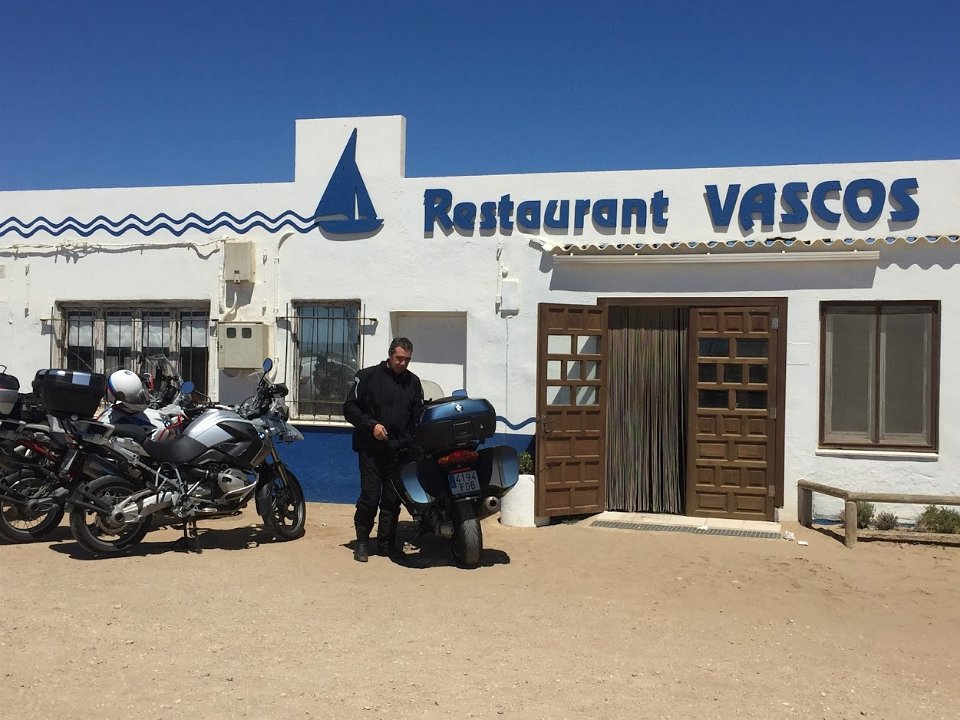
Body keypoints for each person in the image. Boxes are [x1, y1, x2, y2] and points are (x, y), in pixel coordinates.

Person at [343, 337, 424, 562]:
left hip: (399, 452)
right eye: (399, 358)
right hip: (371, 449)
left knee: (391, 500)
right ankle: (362, 542)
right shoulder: (367, 376)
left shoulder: (413, 382)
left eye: (407, 360)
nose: (403, 363)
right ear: (390, 355)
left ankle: (386, 544)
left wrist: (414, 443)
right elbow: (349, 408)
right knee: (370, 497)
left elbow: (417, 415)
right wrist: (371, 426)